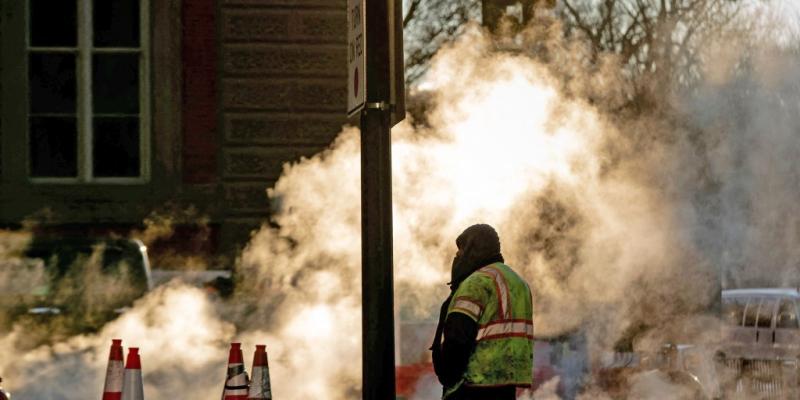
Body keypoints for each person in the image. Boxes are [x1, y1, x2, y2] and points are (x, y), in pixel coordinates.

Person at [431, 224, 534, 400]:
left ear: (473, 249)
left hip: (472, 386)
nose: (457, 256)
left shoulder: (476, 282)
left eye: (461, 250)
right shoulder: (519, 283)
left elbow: (457, 337)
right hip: (506, 386)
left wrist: (447, 374)